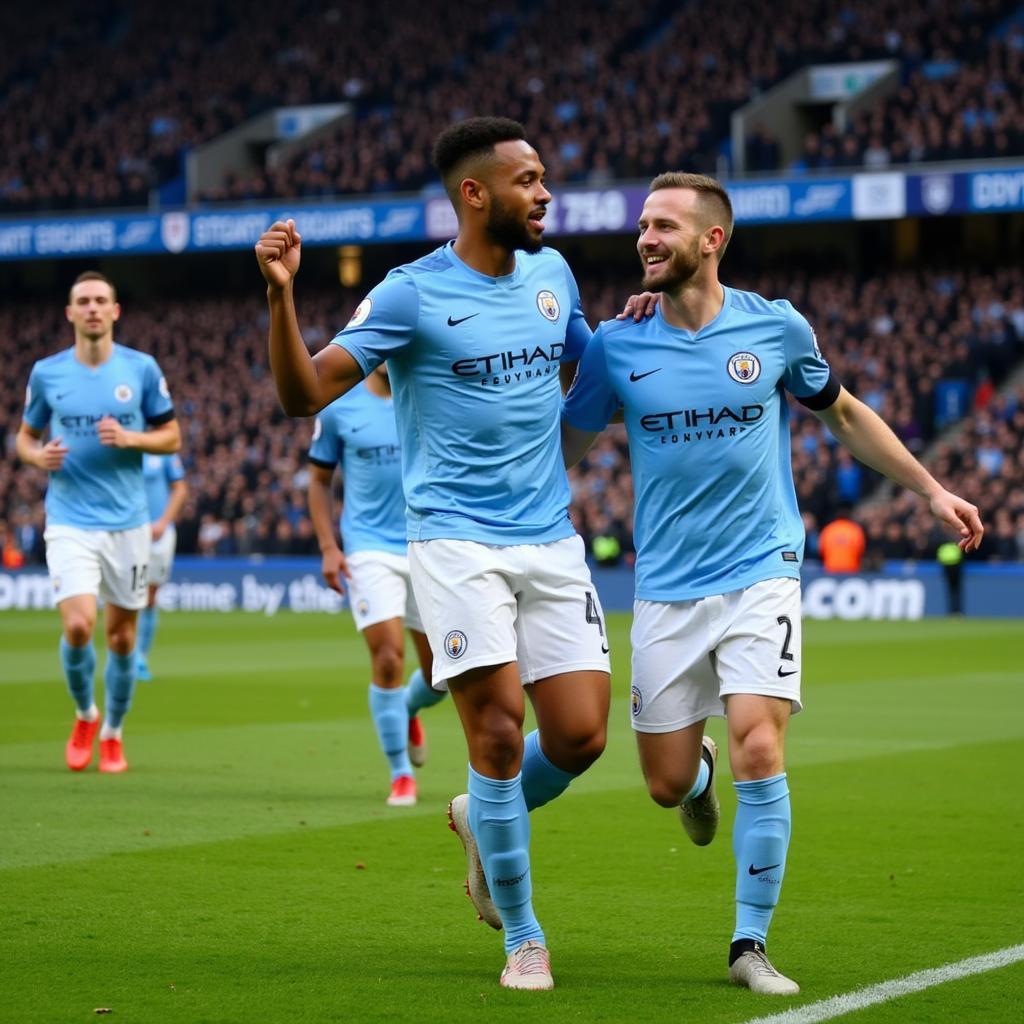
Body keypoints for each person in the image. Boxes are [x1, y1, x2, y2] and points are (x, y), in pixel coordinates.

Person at [561, 172, 984, 996]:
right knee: (664, 783)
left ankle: (749, 942)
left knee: (763, 741)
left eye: (664, 226)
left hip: (762, 570)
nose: (646, 238)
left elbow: (845, 413)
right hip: (666, 590)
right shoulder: (618, 344)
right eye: (642, 225)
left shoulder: (777, 327)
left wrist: (931, 489)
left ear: (712, 239)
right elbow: (566, 448)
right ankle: (699, 778)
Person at [256, 117, 616, 991]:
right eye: (528, 180)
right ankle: (523, 936)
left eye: (544, 177)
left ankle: (473, 818)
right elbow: (304, 392)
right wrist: (280, 295)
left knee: (580, 736)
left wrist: (640, 323)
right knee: (497, 734)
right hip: (452, 543)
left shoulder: (553, 275)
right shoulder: (410, 294)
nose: (545, 194)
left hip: (550, 540)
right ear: (474, 193)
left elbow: (591, 367)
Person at [16, 271, 181, 773]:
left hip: (128, 523)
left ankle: (114, 730)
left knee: (122, 638)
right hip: (69, 519)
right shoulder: (47, 373)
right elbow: (24, 437)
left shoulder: (142, 369)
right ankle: (86, 713)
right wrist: (36, 455)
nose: (91, 308)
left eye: (100, 301)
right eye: (82, 301)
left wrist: (132, 439)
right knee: (81, 625)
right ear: (69, 313)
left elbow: (171, 437)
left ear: (115, 311)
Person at [307, 363, 446, 807]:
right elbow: (318, 479)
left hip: (428, 542)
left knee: (442, 674)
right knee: (387, 656)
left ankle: (406, 707)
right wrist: (329, 546)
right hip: (367, 547)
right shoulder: (339, 408)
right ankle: (400, 772)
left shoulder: (433, 395)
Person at [136, 453, 188, 681]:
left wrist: (164, 522)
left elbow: (180, 488)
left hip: (158, 532)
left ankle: (140, 657)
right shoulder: (123, 442)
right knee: (123, 594)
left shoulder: (164, 450)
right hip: (128, 528)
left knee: (149, 596)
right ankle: (123, 653)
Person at [818, 506, 866, 573]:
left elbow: (821, 550)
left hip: (830, 569)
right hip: (851, 569)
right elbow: (860, 550)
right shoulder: (855, 529)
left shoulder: (828, 529)